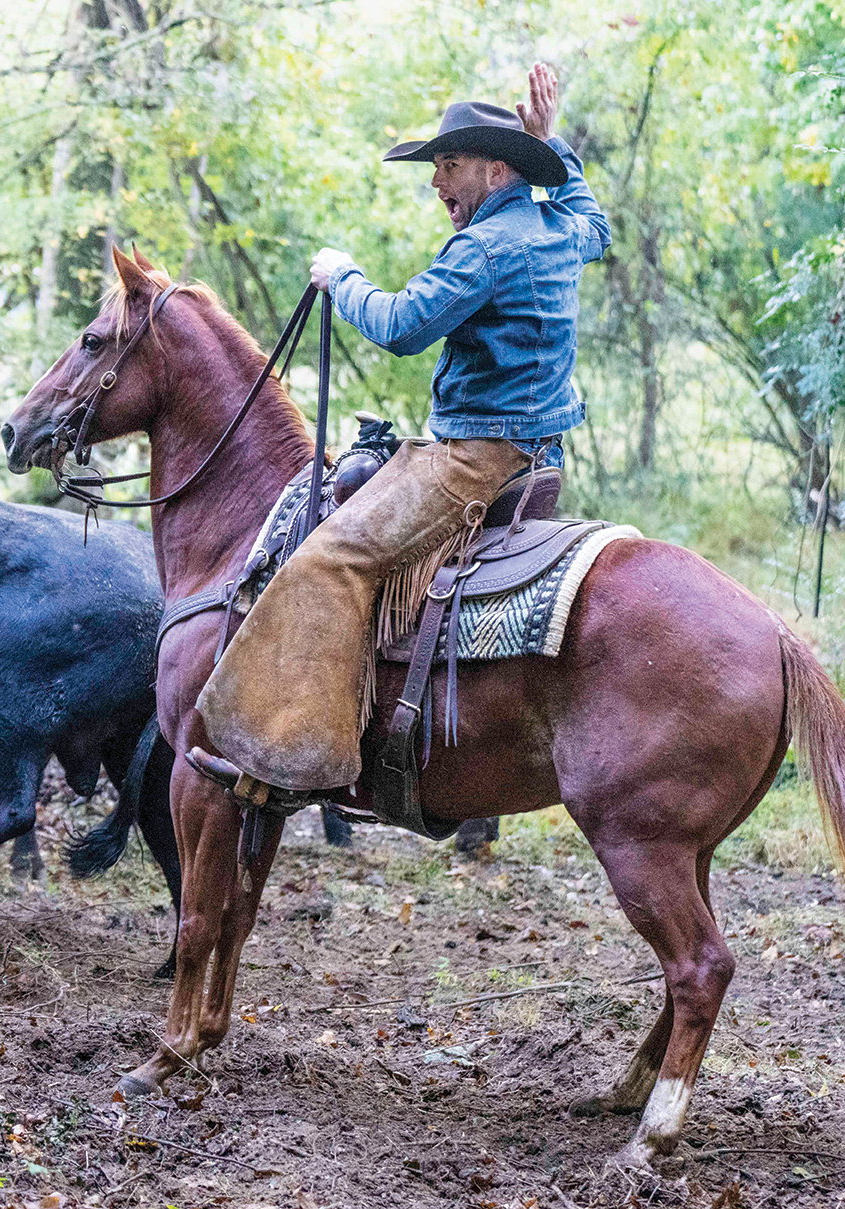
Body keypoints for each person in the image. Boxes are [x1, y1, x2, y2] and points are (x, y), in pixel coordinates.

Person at [190, 63, 611, 803]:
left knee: (329, 559)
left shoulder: (484, 249)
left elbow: (400, 327)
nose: (437, 183)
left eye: (449, 166)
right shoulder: (557, 226)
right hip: (540, 456)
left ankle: (298, 757)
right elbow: (599, 224)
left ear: (495, 168)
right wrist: (557, 148)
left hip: (474, 461)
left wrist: (340, 276)